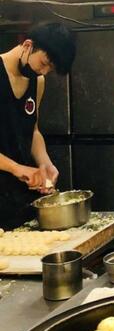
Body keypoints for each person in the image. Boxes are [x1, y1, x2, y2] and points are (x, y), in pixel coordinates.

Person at [0, 23, 76, 230]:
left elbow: (32, 130)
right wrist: (16, 168)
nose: (44, 71)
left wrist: (46, 163)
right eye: (43, 63)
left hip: (18, 195)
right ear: (28, 45)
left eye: (50, 69)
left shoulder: (38, 82)